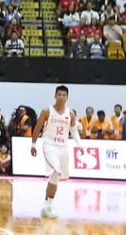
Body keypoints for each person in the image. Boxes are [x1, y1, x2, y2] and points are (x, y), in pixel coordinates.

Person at [31, 85, 84, 219]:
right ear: (55, 96)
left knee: (56, 177)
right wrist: (33, 144)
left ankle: (46, 205)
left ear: (67, 97)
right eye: (59, 94)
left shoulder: (70, 113)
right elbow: (37, 127)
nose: (61, 97)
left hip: (63, 147)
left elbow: (73, 130)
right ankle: (48, 205)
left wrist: (80, 145)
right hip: (49, 145)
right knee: (56, 171)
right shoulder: (46, 110)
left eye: (63, 95)